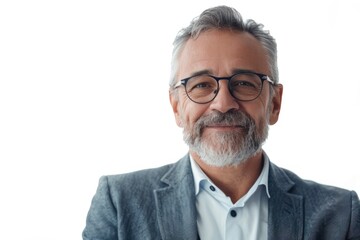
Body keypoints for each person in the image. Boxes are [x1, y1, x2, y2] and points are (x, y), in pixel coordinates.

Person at [82, 5, 360, 240]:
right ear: (177, 106)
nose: (223, 103)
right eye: (202, 85)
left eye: (244, 83)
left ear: (274, 103)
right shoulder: (119, 204)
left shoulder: (340, 215)